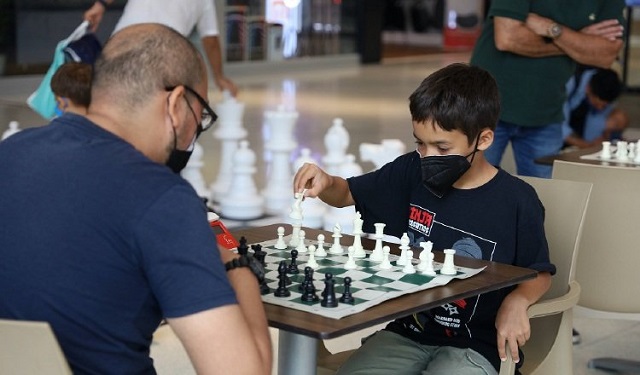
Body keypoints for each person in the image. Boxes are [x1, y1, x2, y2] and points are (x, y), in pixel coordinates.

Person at [0, 24, 271, 374]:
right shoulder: (164, 199)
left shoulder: (11, 151)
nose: (194, 135)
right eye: (199, 116)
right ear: (175, 103)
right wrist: (237, 265)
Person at [293, 63, 555, 374]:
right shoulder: (410, 171)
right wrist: (326, 182)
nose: (428, 155)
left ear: (483, 140)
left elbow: (539, 272)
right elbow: (348, 193)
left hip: (477, 343)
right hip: (409, 332)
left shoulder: (516, 201)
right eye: (420, 143)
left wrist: (518, 300)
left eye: (442, 147)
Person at [470, 0, 626, 178]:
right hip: (486, 105)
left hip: (547, 111)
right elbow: (507, 38)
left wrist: (554, 29)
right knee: (469, 189)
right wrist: (578, 39)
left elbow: (605, 55)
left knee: (544, 199)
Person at [83, 0, 238, 96]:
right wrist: (219, 76)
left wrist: (100, 5)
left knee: (107, 103)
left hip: (120, 43)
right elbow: (210, 40)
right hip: (162, 53)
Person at [562, 66, 629, 149]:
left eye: (604, 106)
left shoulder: (607, 85)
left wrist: (608, 137)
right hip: (554, 127)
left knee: (619, 118)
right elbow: (559, 127)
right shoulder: (568, 82)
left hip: (581, 132)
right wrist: (588, 146)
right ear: (588, 89)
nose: (600, 108)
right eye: (598, 104)